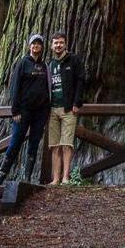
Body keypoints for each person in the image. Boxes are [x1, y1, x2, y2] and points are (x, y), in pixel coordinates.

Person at [1, 33, 51, 184]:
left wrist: (47, 108)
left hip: (40, 113)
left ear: (42, 47)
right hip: (23, 111)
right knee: (16, 140)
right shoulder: (23, 63)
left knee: (34, 143)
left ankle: (27, 177)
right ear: (29, 46)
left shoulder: (44, 66)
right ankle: (2, 174)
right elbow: (15, 86)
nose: (36, 46)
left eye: (39, 43)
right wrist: (15, 110)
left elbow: (48, 87)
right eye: (33, 43)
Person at [44, 31, 86, 185]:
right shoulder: (50, 64)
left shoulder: (73, 60)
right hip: (52, 109)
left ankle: (66, 178)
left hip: (68, 109)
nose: (58, 45)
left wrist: (76, 103)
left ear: (65, 44)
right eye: (55, 43)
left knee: (67, 144)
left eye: (61, 42)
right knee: (54, 145)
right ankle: (55, 179)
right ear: (51, 45)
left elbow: (81, 81)